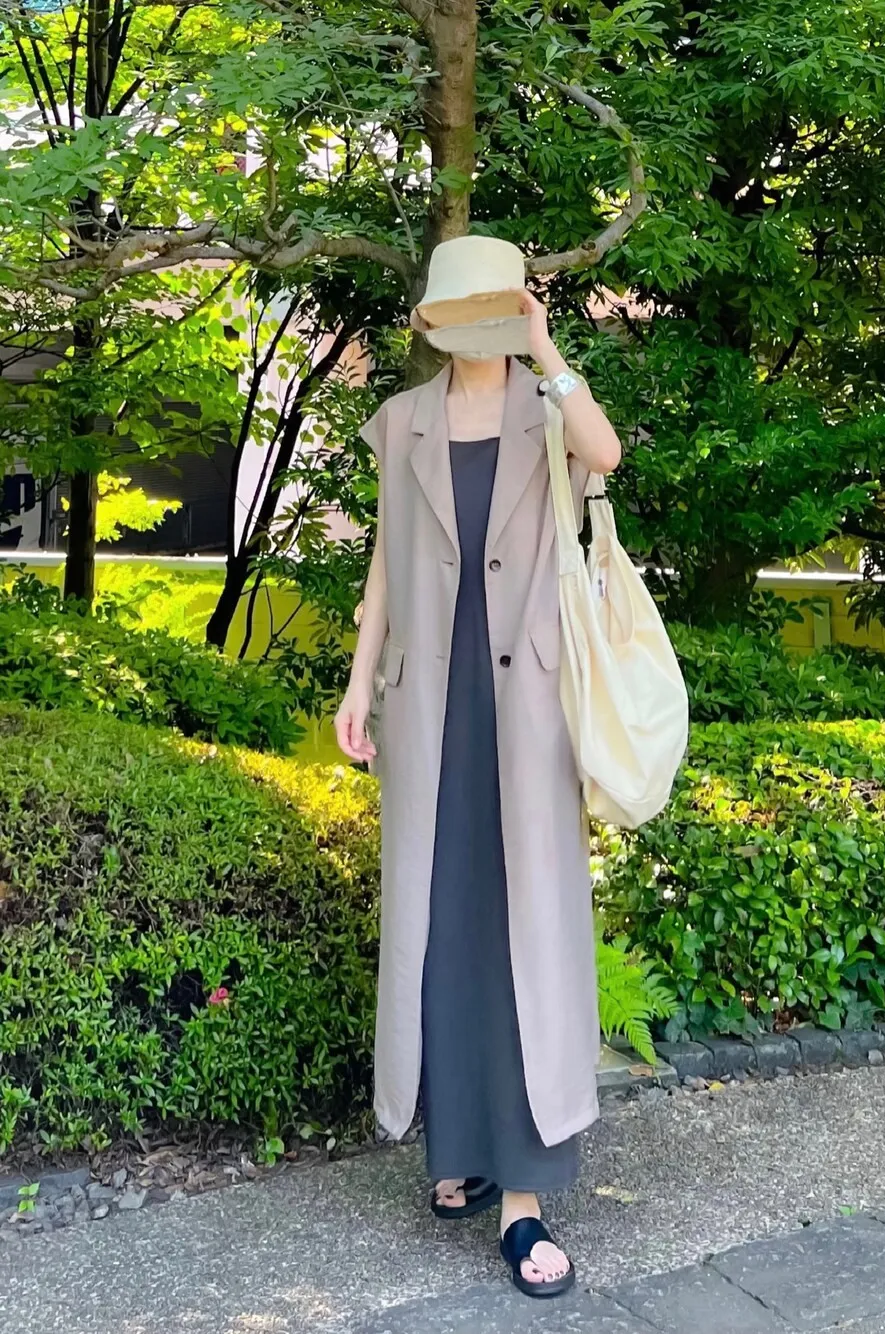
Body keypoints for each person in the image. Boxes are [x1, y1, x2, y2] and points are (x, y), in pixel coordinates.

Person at [335, 236, 622, 1298]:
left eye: (493, 311)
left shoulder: (546, 411)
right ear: (433, 321)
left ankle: (524, 1196)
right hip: (429, 708)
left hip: (527, 712)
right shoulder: (401, 420)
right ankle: (454, 1144)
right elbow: (384, 560)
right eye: (459, 312)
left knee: (523, 933)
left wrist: (548, 348)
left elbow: (607, 454)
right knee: (441, 923)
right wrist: (357, 683)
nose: (474, 330)